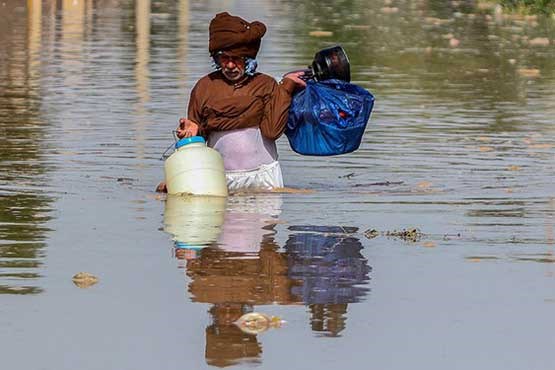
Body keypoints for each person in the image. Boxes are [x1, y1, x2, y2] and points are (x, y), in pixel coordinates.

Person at [173, 12, 306, 192]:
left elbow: (273, 131)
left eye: (235, 59)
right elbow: (197, 145)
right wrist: (192, 133)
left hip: (264, 178)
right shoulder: (204, 87)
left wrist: (286, 88)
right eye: (224, 58)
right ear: (216, 58)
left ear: (248, 58)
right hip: (219, 179)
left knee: (265, 221)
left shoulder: (265, 85)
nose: (229, 65)